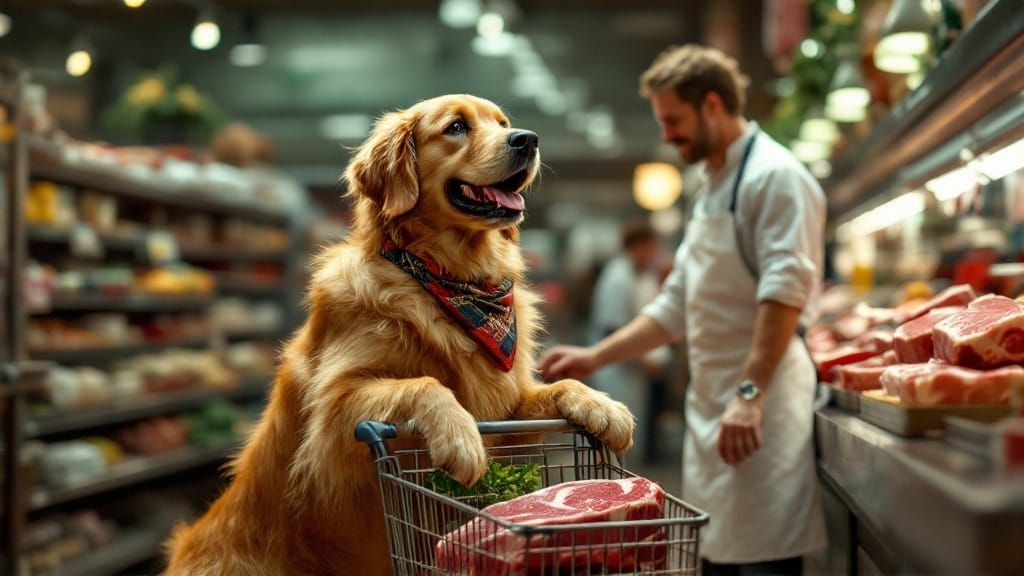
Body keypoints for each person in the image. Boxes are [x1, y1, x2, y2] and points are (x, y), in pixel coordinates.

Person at [539, 44, 827, 575]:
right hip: (712, 408)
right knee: (713, 557)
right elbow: (676, 305)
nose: (668, 135)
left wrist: (749, 394)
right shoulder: (710, 185)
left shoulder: (775, 177)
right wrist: (594, 356)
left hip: (760, 408)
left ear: (712, 105)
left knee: (765, 560)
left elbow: (785, 293)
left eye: (673, 120)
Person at [587, 221, 670, 463]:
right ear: (638, 247)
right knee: (615, 442)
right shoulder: (618, 278)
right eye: (650, 248)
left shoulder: (638, 275)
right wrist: (644, 360)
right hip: (616, 371)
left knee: (630, 440)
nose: (653, 255)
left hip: (632, 370)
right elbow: (612, 329)